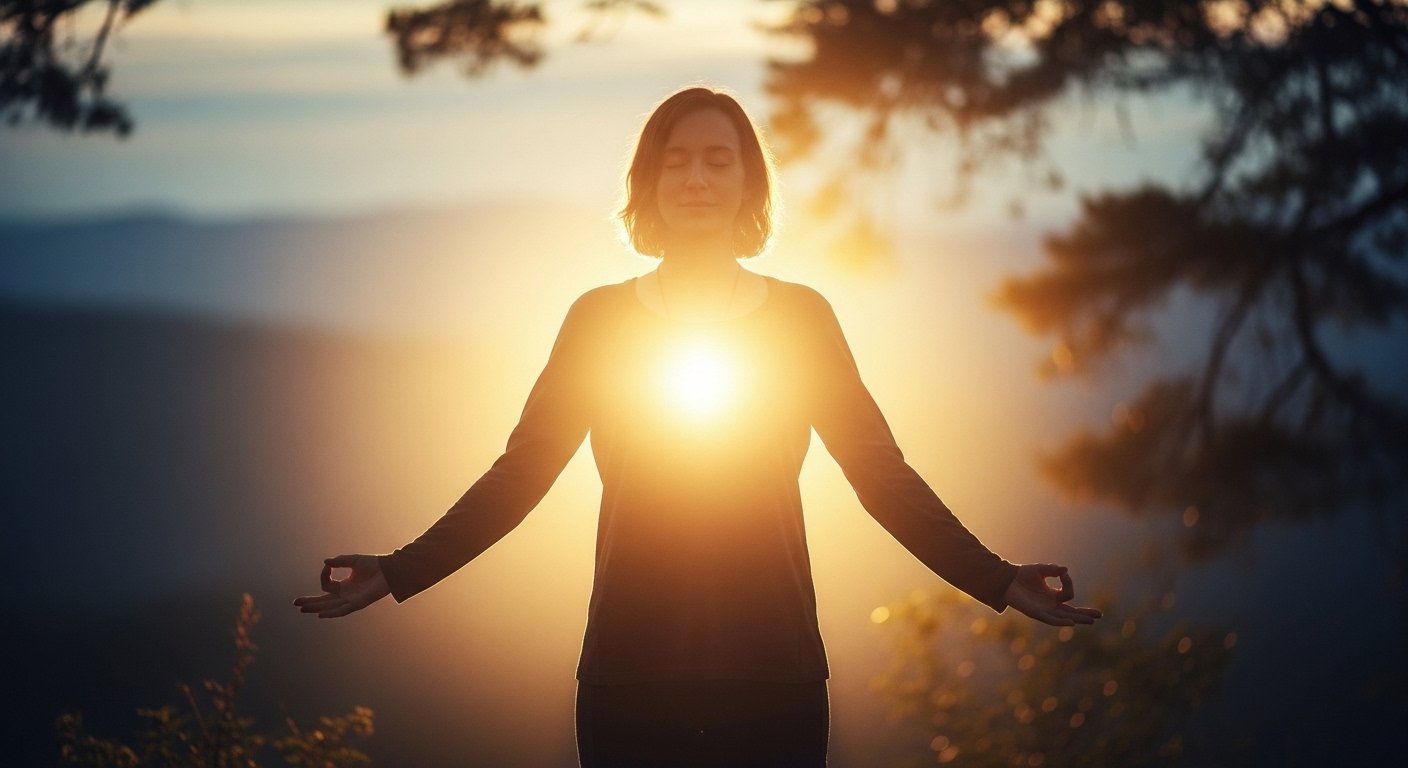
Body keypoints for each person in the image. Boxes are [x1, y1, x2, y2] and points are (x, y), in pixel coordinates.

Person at [294, 86, 1102, 767]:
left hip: (774, 677)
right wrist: (400, 571)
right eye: (675, 161)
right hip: (628, 679)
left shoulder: (801, 318)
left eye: (720, 160)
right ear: (646, 184)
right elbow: (523, 473)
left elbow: (879, 475)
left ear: (752, 183)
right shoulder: (598, 320)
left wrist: (997, 581)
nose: (697, 178)